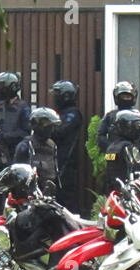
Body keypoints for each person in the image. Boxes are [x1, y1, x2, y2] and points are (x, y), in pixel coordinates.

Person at [49, 80, 83, 214]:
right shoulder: (58, 113)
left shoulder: (73, 114)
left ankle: (73, 225)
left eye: (57, 96)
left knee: (67, 195)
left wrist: (48, 127)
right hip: (53, 160)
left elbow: (59, 131)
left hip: (67, 161)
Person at [13, 107, 61, 195]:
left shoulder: (52, 145)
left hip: (49, 194)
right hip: (29, 195)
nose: (51, 129)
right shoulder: (25, 146)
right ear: (36, 125)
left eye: (52, 126)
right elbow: (16, 176)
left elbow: (55, 171)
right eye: (47, 125)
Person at [0, 72, 31, 162]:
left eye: (0, 87)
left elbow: (26, 132)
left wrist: (5, 136)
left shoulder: (23, 108)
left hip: (15, 154)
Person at [104, 110, 140, 194]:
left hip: (115, 192)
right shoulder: (128, 147)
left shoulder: (112, 147)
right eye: (136, 126)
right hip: (131, 194)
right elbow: (138, 170)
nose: (138, 129)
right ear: (127, 127)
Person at [98, 81, 140, 153]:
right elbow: (101, 135)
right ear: (117, 98)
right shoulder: (109, 116)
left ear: (133, 98)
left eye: (128, 97)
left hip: (133, 154)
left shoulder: (138, 116)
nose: (125, 99)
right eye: (123, 97)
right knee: (110, 160)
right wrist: (110, 147)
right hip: (113, 153)